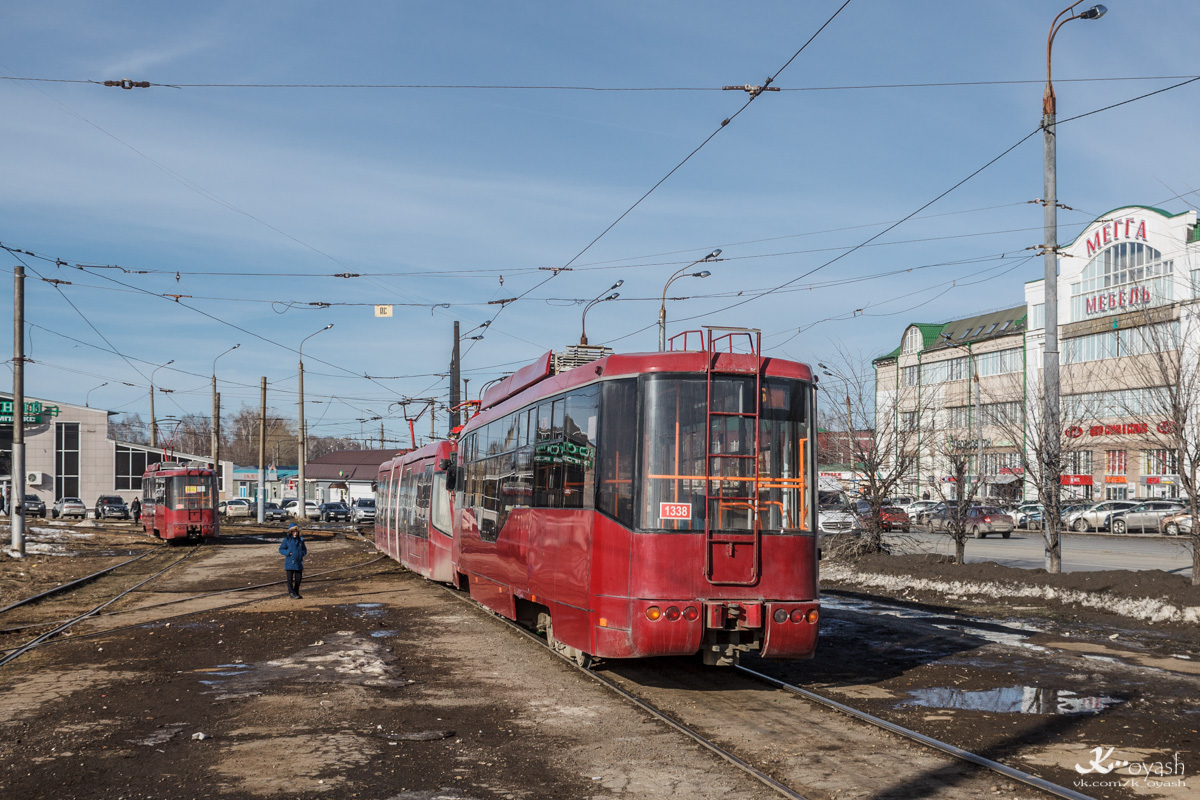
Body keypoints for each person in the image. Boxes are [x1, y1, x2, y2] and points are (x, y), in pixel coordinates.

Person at [279, 522, 308, 599]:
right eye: (293, 532)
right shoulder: (287, 540)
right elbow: (281, 549)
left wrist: (302, 553)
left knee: (298, 579)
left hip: (298, 562)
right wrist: (288, 552)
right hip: (290, 562)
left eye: (296, 531)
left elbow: (304, 550)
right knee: (290, 579)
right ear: (290, 532)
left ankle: (296, 592)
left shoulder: (301, 540)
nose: (295, 533)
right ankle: (291, 593)